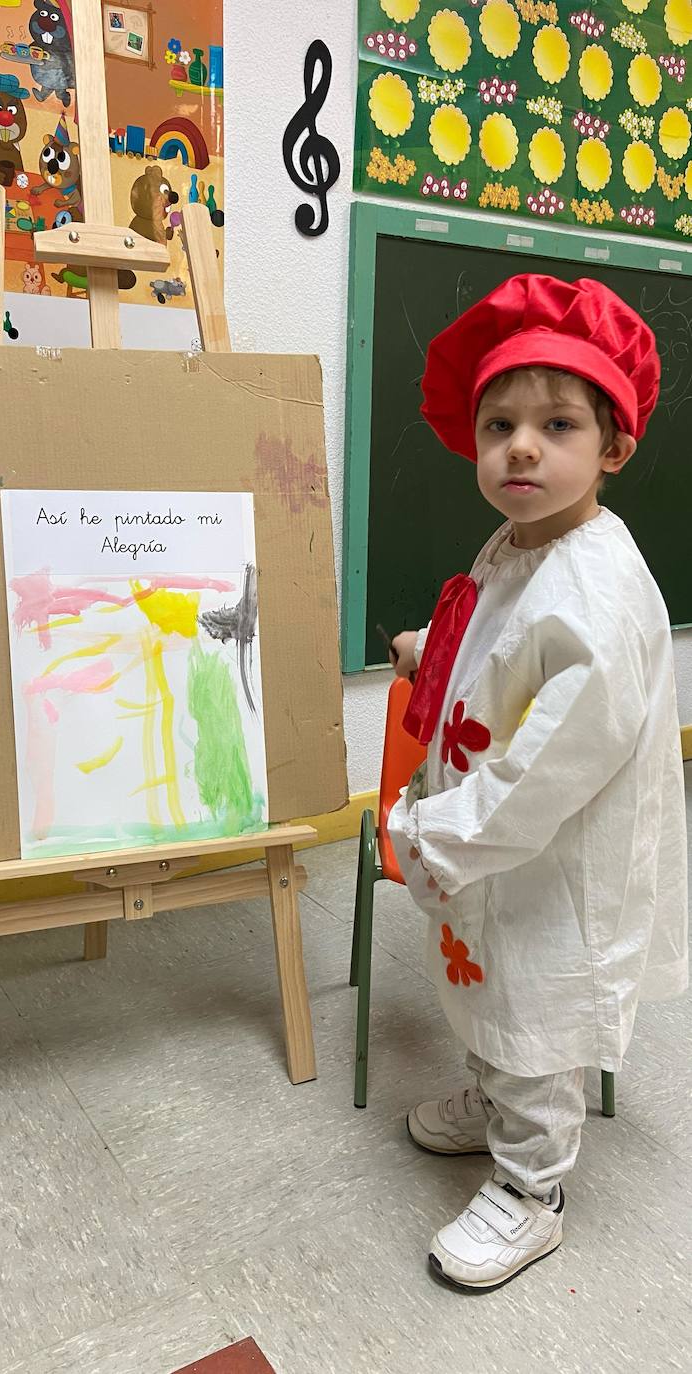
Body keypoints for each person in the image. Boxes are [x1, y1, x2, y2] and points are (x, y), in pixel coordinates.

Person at [388, 274, 688, 1293]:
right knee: (491, 998)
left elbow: (547, 762)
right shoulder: (520, 541)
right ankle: (492, 1106)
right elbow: (497, 639)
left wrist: (434, 836)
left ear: (611, 447)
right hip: (494, 854)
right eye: (498, 423)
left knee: (537, 1016)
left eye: (554, 424)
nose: (519, 446)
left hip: (546, 853)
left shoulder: (597, 589)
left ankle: (531, 1191)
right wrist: (433, 645)